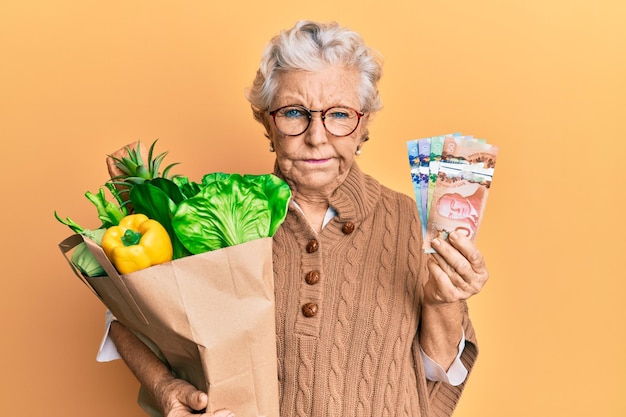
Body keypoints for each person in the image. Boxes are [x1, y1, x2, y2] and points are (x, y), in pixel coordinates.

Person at [105, 20, 489, 417]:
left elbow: (438, 374)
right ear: (266, 122)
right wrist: (166, 389)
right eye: (293, 112)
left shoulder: (410, 218)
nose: (317, 137)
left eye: (339, 115)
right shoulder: (220, 213)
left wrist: (442, 302)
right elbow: (127, 316)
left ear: (364, 125)